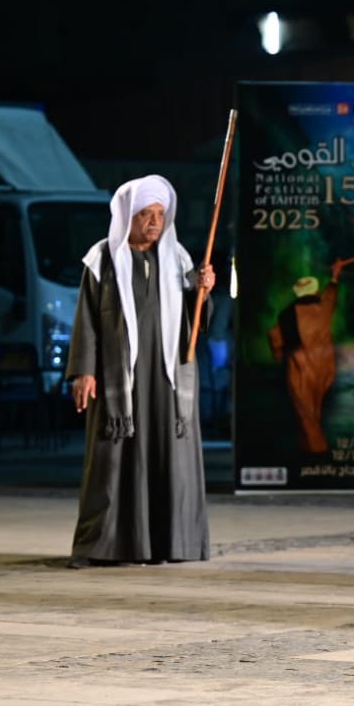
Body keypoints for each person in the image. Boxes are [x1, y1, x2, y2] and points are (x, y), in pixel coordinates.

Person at [67, 175, 214, 568]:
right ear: (126, 216)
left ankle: (172, 544)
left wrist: (203, 290)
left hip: (168, 381)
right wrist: (84, 371)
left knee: (172, 459)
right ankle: (107, 546)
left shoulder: (178, 258)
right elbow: (87, 320)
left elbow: (197, 323)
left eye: (160, 214)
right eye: (145, 214)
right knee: (112, 462)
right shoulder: (102, 259)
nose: (154, 222)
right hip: (119, 381)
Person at [267, 258, 354, 455]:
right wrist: (335, 275)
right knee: (314, 409)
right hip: (324, 367)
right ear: (314, 291)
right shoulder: (324, 308)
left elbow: (275, 337)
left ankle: (317, 450)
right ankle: (307, 445)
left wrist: (279, 354)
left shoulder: (287, 314)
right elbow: (331, 294)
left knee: (305, 412)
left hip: (299, 367)